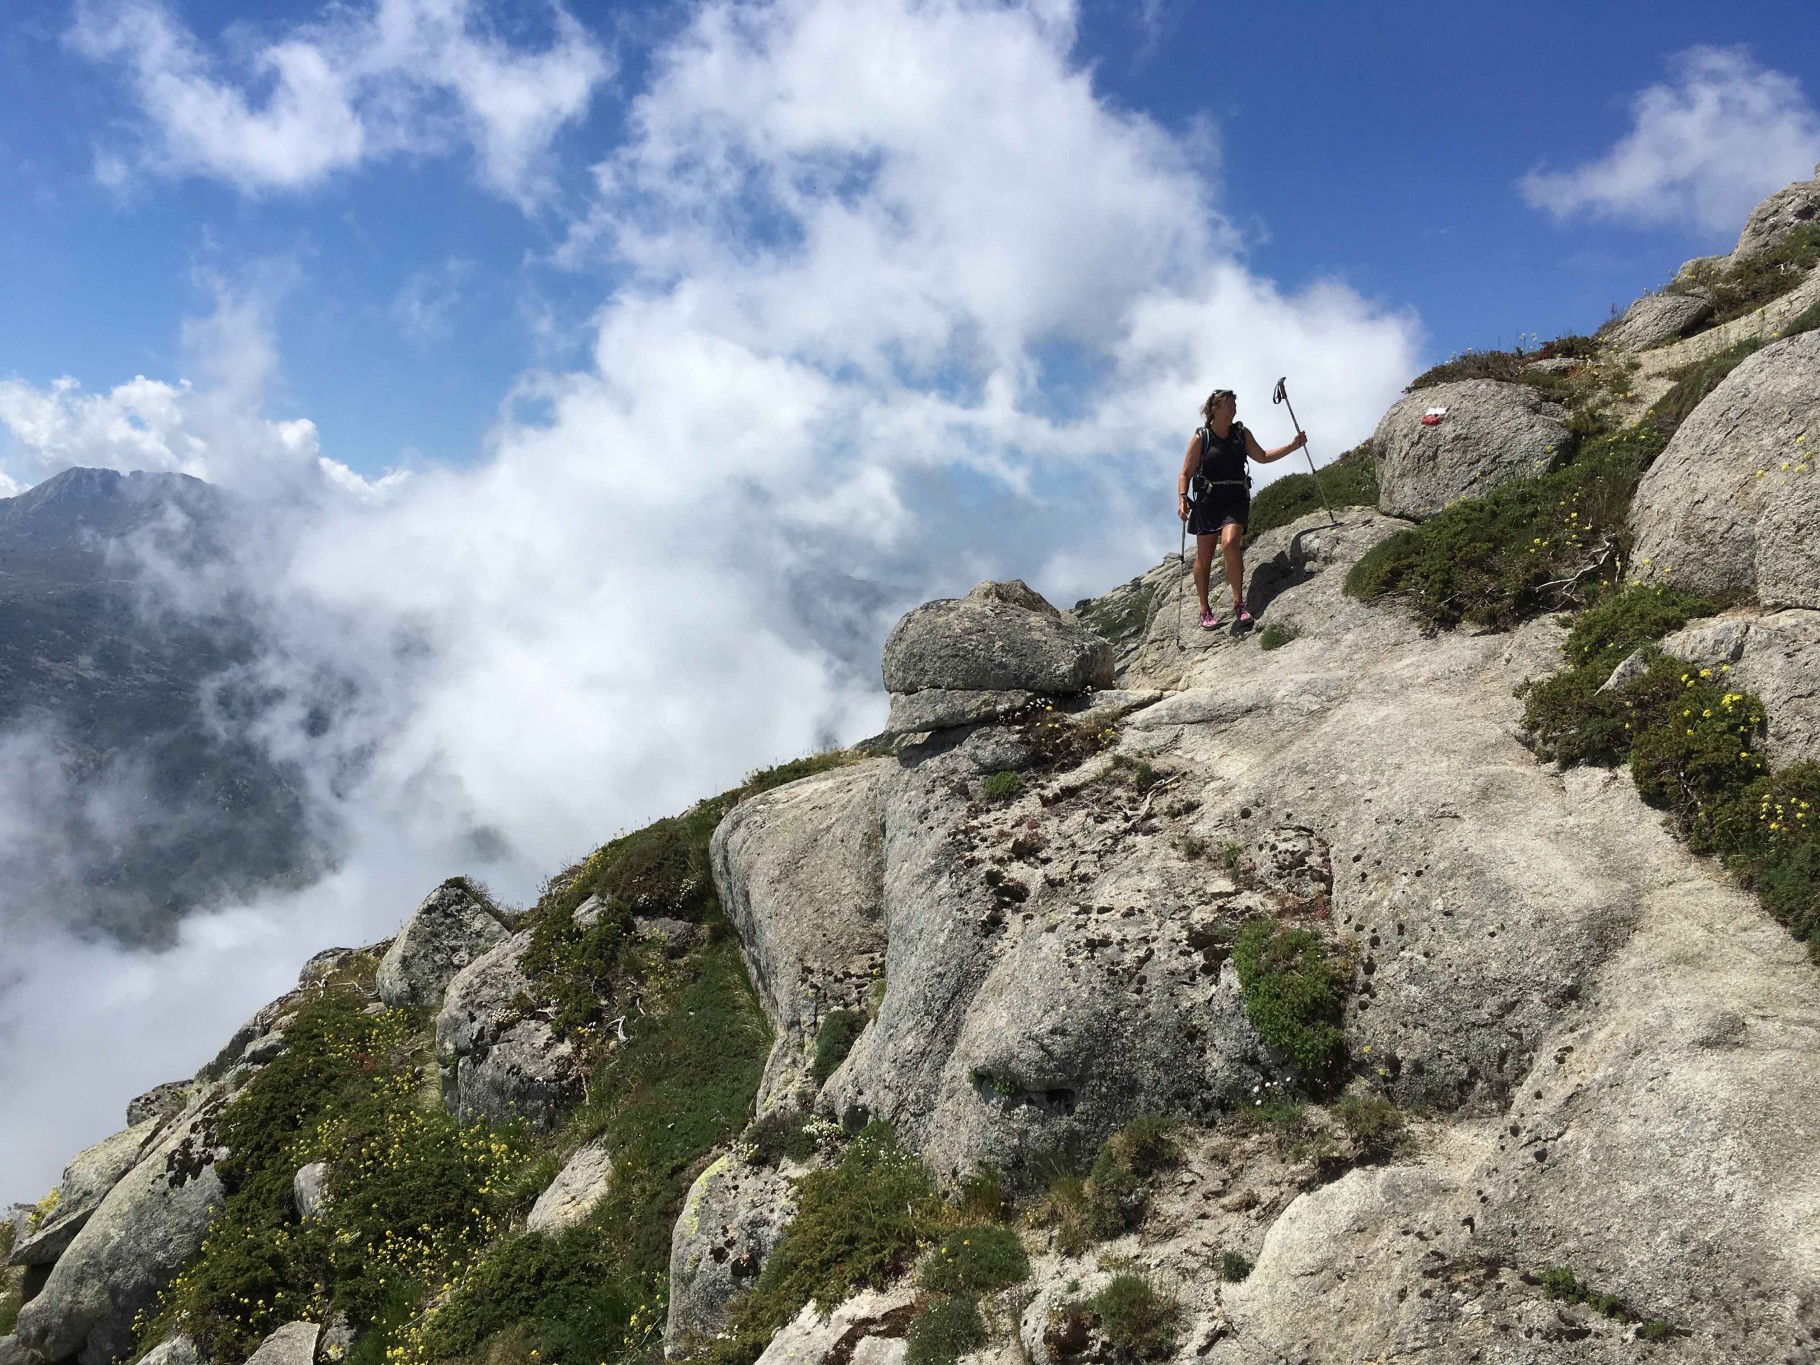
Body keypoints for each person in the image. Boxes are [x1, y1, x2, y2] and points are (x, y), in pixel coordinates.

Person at [1175, 387, 1307, 631]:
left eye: (1234, 406)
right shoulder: (1201, 437)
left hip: (1235, 498)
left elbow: (1263, 456)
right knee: (1204, 557)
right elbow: (1185, 472)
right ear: (1214, 409)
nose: (1233, 410)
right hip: (1207, 501)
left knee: (1229, 544)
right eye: (1229, 406)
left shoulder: (1240, 433)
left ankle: (1238, 603)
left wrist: (1293, 446)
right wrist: (1182, 497)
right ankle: (1204, 609)